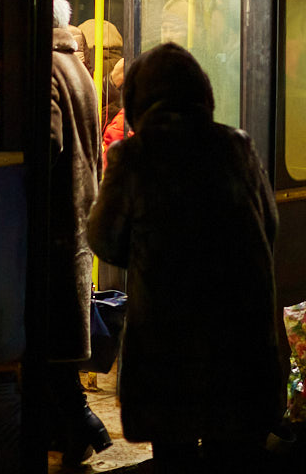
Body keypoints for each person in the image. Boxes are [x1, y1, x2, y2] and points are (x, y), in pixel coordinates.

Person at [88, 42, 282, 474]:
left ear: (137, 100)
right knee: (233, 456)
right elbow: (269, 224)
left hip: (168, 347)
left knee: (173, 457)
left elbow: (105, 239)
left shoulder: (133, 158)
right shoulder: (238, 148)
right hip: (240, 335)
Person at [46, 0, 111, 465]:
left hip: (56, 223)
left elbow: (49, 144)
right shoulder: (76, 65)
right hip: (77, 218)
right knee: (59, 349)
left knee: (51, 346)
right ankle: (78, 429)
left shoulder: (46, 68)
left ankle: (80, 429)